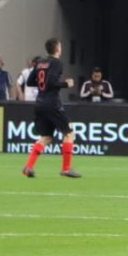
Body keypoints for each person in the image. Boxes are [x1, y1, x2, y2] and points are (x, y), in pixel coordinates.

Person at [21, 38, 80, 178]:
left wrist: (43, 86)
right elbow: (52, 82)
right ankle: (66, 169)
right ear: (57, 49)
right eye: (60, 46)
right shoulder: (57, 63)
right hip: (52, 103)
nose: (61, 48)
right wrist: (66, 84)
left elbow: (30, 81)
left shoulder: (40, 62)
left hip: (40, 103)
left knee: (46, 137)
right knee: (69, 133)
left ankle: (28, 168)